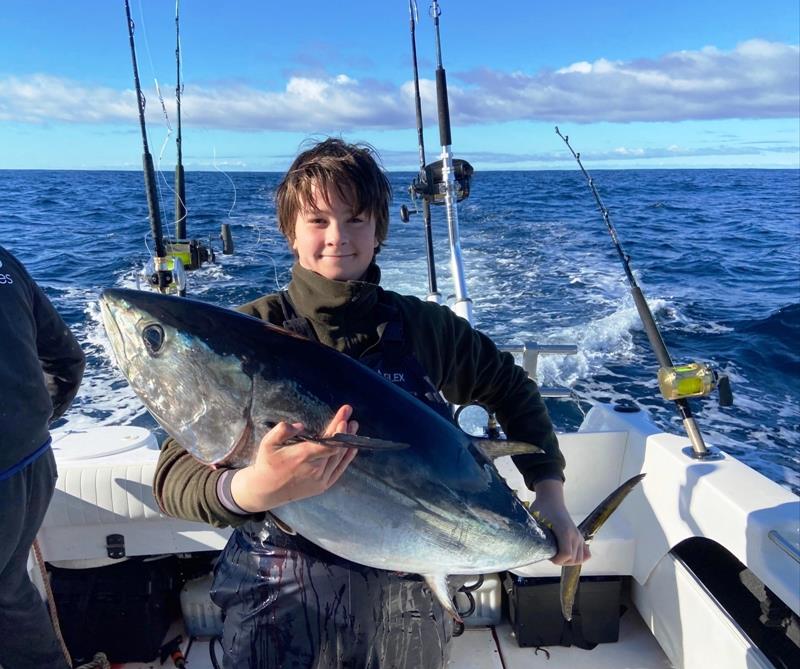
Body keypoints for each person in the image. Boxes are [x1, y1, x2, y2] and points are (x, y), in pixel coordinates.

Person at [154, 138, 589, 669]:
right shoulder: (248, 338)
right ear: (289, 232)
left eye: (356, 219)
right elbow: (172, 478)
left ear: (380, 230)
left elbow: (512, 389)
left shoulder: (427, 330)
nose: (338, 237)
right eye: (317, 220)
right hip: (278, 599)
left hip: (414, 593)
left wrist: (550, 496)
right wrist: (253, 487)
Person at [0, 245, 85, 669]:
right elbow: (67, 359)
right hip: (32, 466)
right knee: (9, 592)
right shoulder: (6, 262)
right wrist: (30, 427)